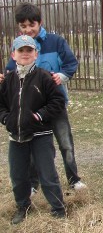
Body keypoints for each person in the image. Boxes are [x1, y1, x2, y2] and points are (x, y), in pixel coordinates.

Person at [4, 2, 86, 192]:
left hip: (55, 105)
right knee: (33, 146)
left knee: (65, 142)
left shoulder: (55, 42)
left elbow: (71, 63)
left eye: (32, 25)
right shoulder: (20, 47)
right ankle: (34, 183)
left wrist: (62, 76)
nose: (28, 29)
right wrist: (4, 77)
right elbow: (10, 72)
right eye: (23, 26)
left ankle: (73, 178)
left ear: (40, 22)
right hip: (30, 108)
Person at [0, 35, 66, 224]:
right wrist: (6, 118)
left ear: (36, 54)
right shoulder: (8, 80)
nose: (25, 54)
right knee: (18, 175)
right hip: (17, 136)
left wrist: (40, 115)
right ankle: (23, 206)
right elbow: (1, 105)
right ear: (14, 54)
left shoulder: (45, 77)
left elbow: (57, 102)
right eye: (21, 50)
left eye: (29, 50)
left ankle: (58, 208)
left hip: (41, 134)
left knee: (47, 174)